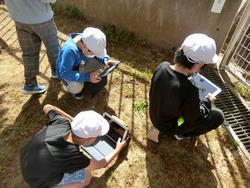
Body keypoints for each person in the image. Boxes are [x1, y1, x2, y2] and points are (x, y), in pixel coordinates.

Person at [20, 104, 128, 188]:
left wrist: (73, 121)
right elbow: (100, 164)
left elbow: (47, 107)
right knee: (86, 177)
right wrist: (118, 148)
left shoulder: (62, 122)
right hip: (37, 181)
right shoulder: (73, 155)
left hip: (26, 160)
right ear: (87, 140)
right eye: (96, 137)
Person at [147, 33, 224, 143]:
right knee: (218, 116)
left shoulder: (162, 66)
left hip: (155, 116)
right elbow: (194, 117)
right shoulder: (189, 90)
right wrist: (207, 102)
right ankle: (181, 133)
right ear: (198, 64)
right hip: (173, 124)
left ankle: (163, 127)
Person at [5, 0, 59, 94]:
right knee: (53, 47)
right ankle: (57, 71)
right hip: (42, 18)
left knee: (29, 53)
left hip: (19, 19)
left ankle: (30, 84)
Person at [56, 27, 116, 100]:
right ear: (85, 47)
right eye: (94, 53)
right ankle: (73, 90)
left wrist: (105, 60)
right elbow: (65, 73)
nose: (95, 55)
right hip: (68, 71)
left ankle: (84, 79)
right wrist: (87, 77)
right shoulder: (69, 50)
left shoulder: (86, 39)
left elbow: (99, 53)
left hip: (80, 65)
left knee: (100, 64)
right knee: (76, 86)